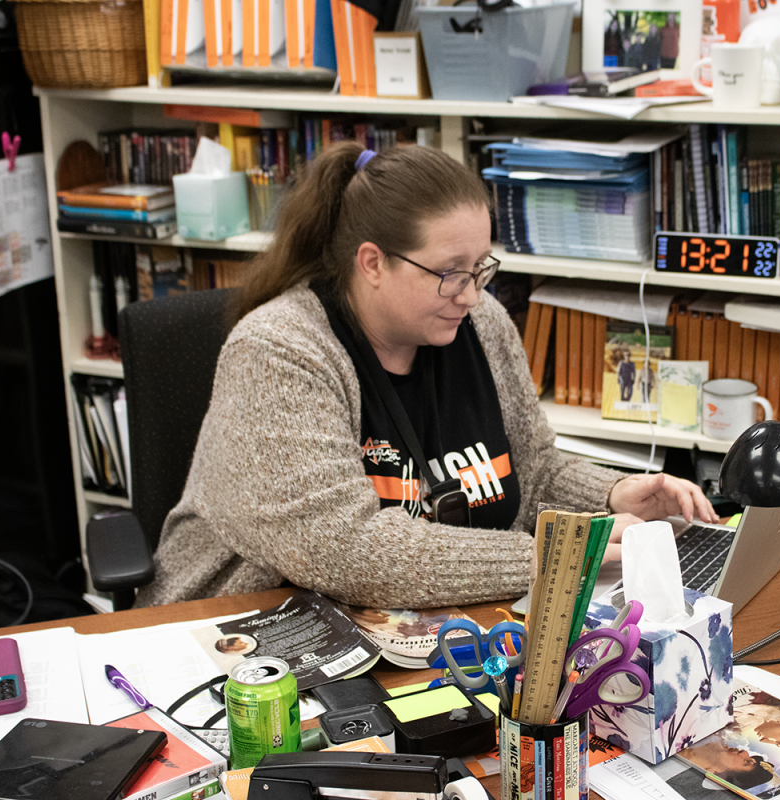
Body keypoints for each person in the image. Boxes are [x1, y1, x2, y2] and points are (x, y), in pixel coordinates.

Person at [135, 142, 716, 610]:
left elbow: (529, 465)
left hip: (413, 624)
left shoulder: (479, 322)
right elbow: (352, 552)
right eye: (448, 272)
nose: (471, 294)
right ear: (373, 263)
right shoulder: (279, 354)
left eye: (479, 268)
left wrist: (612, 493)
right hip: (244, 631)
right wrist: (554, 555)